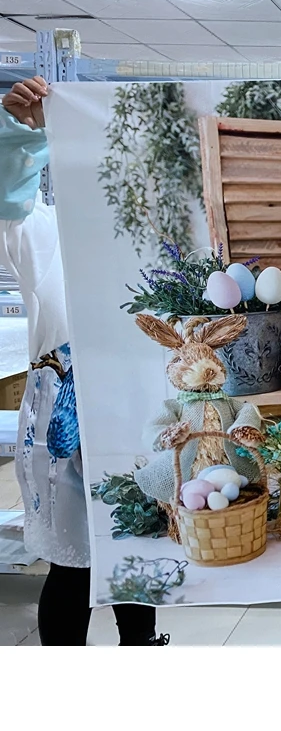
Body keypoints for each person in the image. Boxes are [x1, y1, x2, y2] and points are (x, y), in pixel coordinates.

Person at [1, 75, 167, 645]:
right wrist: (20, 131)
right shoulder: (45, 236)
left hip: (137, 424)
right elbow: (10, 198)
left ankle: (141, 649)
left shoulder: (155, 254)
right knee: (73, 566)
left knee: (134, 552)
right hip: (63, 433)